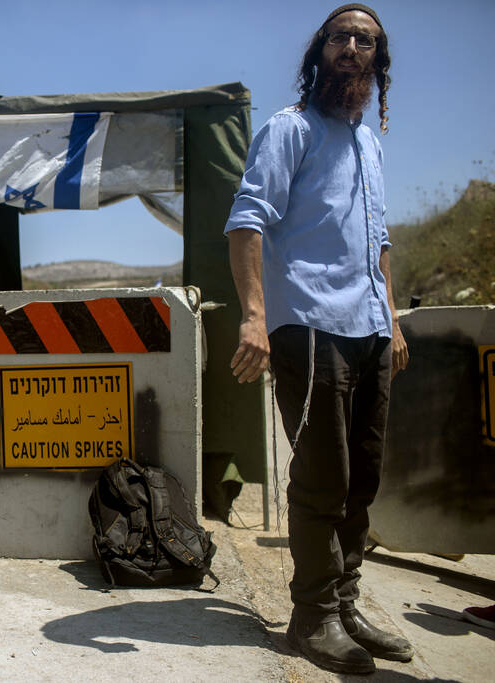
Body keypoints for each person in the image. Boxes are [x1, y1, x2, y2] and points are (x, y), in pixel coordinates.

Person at [223, 4, 411, 675]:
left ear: (377, 60)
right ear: (319, 51)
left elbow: (377, 240)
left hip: (369, 328)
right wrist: (255, 316)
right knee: (323, 477)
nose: (352, 47)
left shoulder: (369, 143)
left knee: (364, 476)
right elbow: (246, 220)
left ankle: (345, 605)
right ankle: (312, 616)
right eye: (341, 37)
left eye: (366, 40)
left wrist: (392, 318)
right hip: (308, 325)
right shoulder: (290, 129)